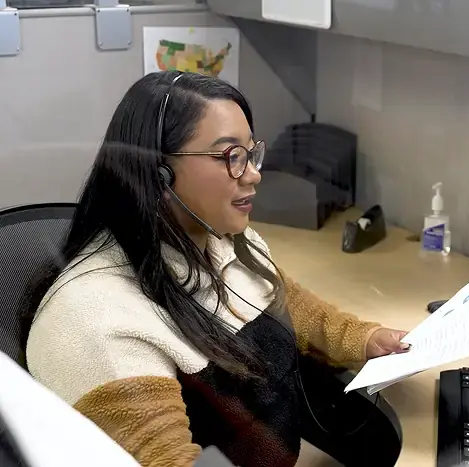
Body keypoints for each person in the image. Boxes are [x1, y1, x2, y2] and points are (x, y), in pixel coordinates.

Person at [22, 71, 409, 467]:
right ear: (160, 174)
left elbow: (285, 303)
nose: (254, 174)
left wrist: (366, 338)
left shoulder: (217, 241)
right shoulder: (96, 319)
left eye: (250, 154)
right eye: (230, 157)